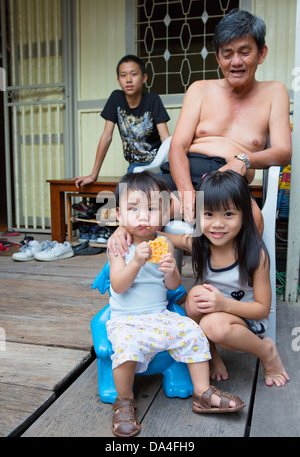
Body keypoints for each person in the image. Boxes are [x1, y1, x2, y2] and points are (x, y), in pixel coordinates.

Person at [107, 171, 245, 438]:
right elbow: (118, 286)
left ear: (164, 214)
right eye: (133, 209)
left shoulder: (166, 243)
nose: (143, 216)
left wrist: (171, 271)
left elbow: (172, 286)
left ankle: (203, 392)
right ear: (119, 216)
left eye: (151, 208)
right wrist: (135, 261)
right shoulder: (119, 246)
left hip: (159, 314)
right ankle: (123, 402)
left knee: (193, 332)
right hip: (126, 318)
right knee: (126, 345)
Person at [161, 9, 292, 226]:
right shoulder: (199, 89)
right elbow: (177, 146)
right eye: (227, 53)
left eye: (244, 52)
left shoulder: (274, 92)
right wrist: (186, 193)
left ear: (261, 53)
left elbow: (283, 152)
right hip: (187, 171)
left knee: (254, 221)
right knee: (137, 204)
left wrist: (244, 160)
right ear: (218, 58)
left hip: (229, 180)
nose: (236, 62)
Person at [169, 171, 288, 387]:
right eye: (209, 214)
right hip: (216, 312)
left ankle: (267, 352)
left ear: (244, 215)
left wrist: (224, 304)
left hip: (247, 320)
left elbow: (262, 308)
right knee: (195, 297)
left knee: (212, 324)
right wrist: (125, 231)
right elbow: (162, 235)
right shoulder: (199, 245)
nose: (217, 224)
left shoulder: (254, 255)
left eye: (228, 214)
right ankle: (211, 355)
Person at [73, 55, 170, 188]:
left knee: (155, 196)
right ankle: (92, 207)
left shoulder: (153, 100)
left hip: (157, 166)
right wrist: (93, 175)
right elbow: (106, 136)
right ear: (118, 80)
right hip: (135, 168)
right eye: (123, 75)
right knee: (127, 195)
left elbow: (166, 139)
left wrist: (173, 169)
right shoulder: (116, 98)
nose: (128, 80)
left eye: (134, 74)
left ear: (144, 78)